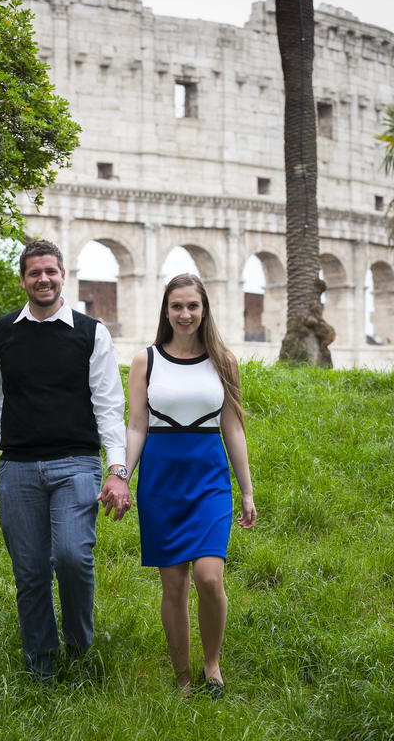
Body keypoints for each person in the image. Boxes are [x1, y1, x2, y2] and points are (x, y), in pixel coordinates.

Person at [0, 239, 131, 680]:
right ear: (23, 279)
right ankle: (41, 664)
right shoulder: (2, 331)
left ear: (63, 275)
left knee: (72, 558)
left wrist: (117, 470)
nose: (43, 279)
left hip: (77, 464)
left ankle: (80, 647)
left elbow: (109, 405)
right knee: (29, 572)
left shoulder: (90, 332)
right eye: (34, 273)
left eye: (50, 271)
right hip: (18, 469)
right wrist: (10, 442)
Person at [126, 273, 256, 697]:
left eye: (192, 306)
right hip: (161, 480)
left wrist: (247, 490)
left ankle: (212, 665)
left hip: (209, 479)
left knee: (209, 577)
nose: (185, 314)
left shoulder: (225, 360)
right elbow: (137, 425)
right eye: (177, 306)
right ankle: (182, 676)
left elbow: (233, 428)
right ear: (166, 310)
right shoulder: (146, 360)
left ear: (204, 311)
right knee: (174, 583)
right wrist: (121, 477)